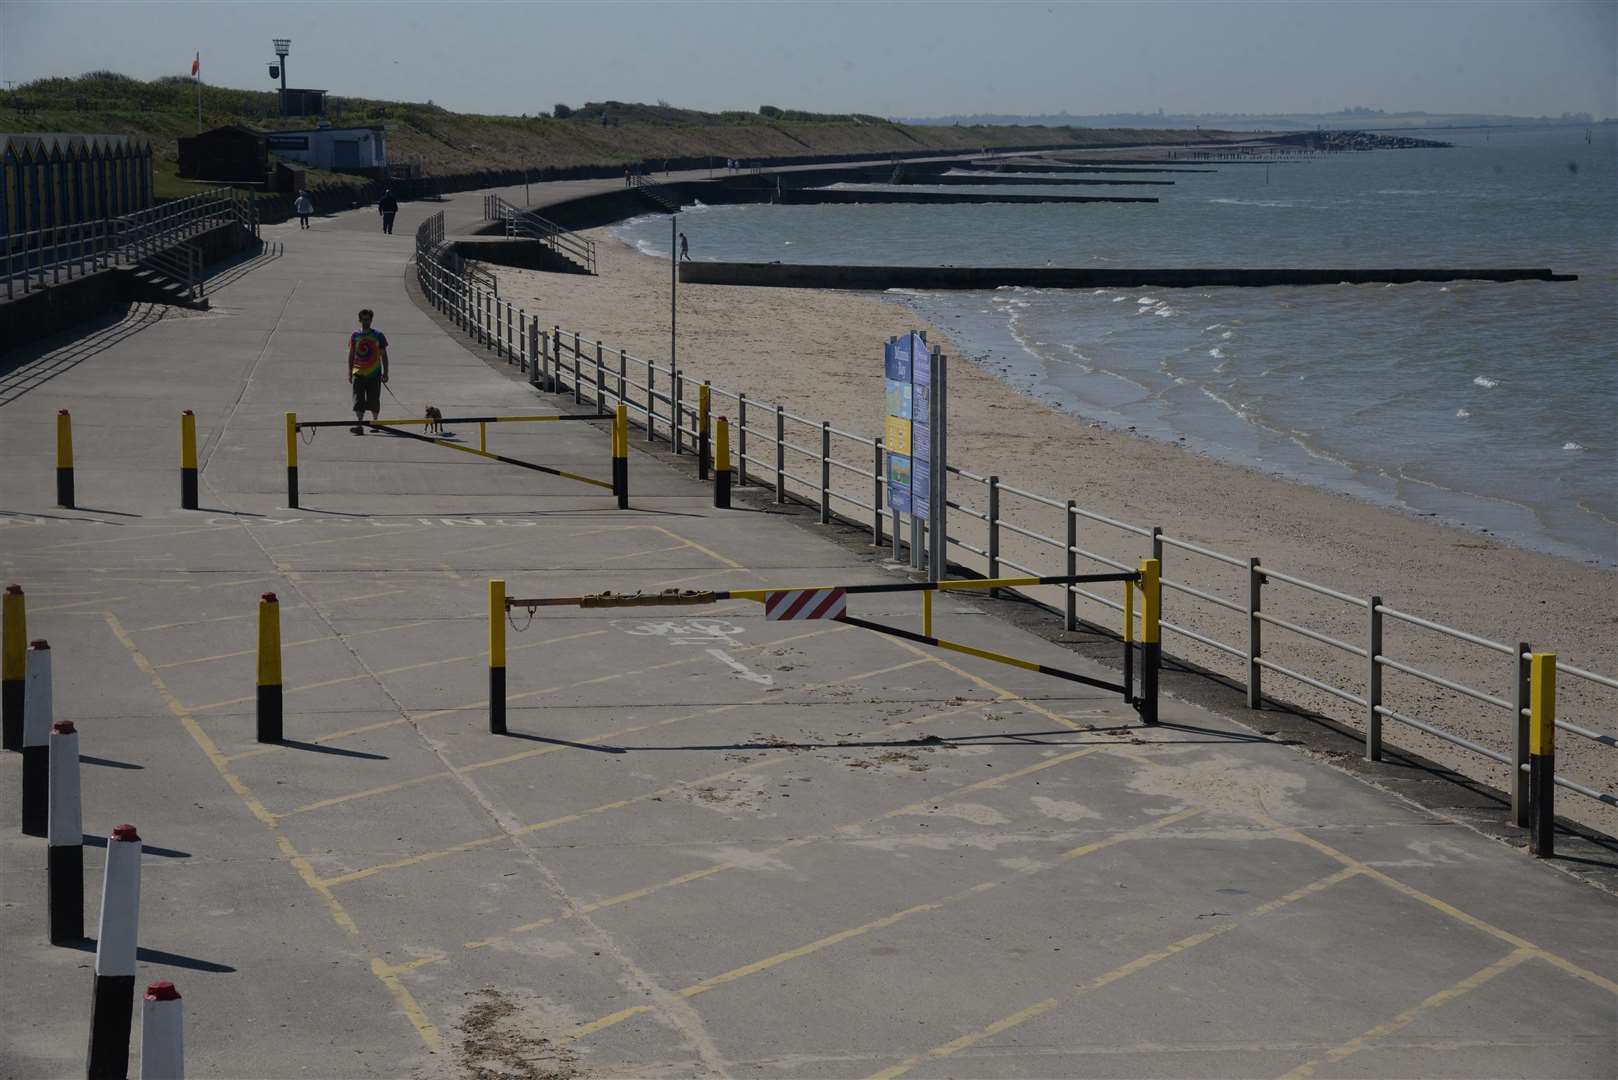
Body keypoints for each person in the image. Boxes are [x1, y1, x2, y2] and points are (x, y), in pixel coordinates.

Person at [348, 308, 389, 434]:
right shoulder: (355, 335)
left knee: (374, 400)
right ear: (359, 320)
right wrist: (350, 372)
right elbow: (351, 354)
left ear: (371, 320)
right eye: (364, 320)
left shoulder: (378, 335)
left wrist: (386, 372)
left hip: (374, 374)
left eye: (368, 319)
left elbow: (384, 354)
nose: (366, 322)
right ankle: (360, 425)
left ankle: (375, 422)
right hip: (358, 374)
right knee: (358, 401)